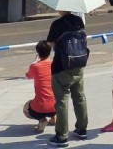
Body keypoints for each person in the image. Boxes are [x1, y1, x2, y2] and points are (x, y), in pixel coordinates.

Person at [46, 11, 88, 148]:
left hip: (61, 66)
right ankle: (82, 129)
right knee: (79, 96)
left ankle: (62, 136)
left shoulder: (56, 24)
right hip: (79, 63)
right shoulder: (78, 20)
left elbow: (50, 43)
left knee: (62, 101)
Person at [23, 41, 56, 133]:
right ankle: (53, 118)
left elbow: (27, 76)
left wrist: (34, 62)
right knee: (52, 95)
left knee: (26, 107)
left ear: (38, 52)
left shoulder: (35, 66)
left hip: (40, 107)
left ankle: (42, 120)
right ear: (50, 51)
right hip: (56, 106)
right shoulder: (54, 64)